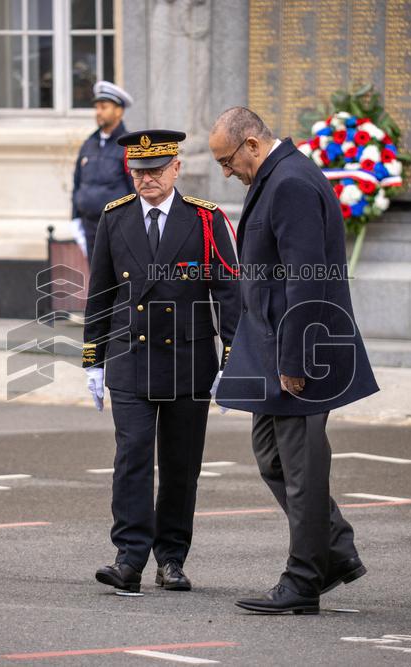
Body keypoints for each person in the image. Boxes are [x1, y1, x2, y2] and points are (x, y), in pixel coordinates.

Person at [209, 107, 379, 614]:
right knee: (272, 456)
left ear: (252, 144)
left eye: (227, 161)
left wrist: (297, 357)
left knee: (301, 469)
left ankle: (304, 579)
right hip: (271, 347)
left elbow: (307, 278)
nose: (227, 172)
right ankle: (336, 550)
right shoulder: (275, 176)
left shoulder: (291, 183)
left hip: (300, 351)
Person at [82, 129, 240, 594]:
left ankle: (171, 558)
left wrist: (231, 360)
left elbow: (229, 295)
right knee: (131, 458)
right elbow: (100, 293)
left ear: (176, 168)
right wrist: (93, 359)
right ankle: (128, 558)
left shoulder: (205, 220)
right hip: (130, 356)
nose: (146, 179)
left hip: (188, 359)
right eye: (138, 172)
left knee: (180, 466)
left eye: (155, 170)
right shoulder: (115, 217)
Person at [71, 81, 135, 259]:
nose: (98, 112)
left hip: (117, 226)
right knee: (96, 274)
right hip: (89, 226)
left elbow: (136, 188)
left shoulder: (128, 145)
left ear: (119, 111)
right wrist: (75, 218)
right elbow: (78, 183)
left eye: (104, 107)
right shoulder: (89, 143)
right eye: (97, 107)